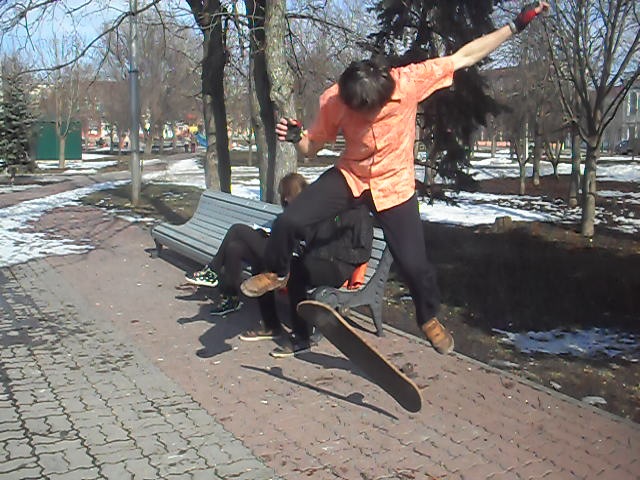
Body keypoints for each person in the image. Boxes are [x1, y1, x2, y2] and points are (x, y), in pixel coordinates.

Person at [240, 2, 550, 355]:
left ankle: (428, 318)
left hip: (395, 184)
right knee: (290, 220)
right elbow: (311, 148)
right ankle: (277, 273)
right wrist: (298, 137)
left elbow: (465, 56)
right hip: (352, 175)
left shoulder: (409, 81)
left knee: (415, 265)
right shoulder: (334, 100)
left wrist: (516, 25)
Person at [241, 203, 373, 357]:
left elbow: (363, 253)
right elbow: (313, 237)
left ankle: (302, 338)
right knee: (269, 262)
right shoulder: (330, 208)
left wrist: (333, 254)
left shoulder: (360, 214)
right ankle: (271, 324)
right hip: (315, 260)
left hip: (337, 268)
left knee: (297, 271)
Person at [185, 172, 308, 315]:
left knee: (237, 229)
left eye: (288, 195)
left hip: (283, 261)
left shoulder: (307, 213)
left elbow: (298, 242)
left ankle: (212, 271)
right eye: (284, 196)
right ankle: (231, 299)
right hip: (273, 251)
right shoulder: (293, 211)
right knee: (234, 248)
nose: (285, 199)